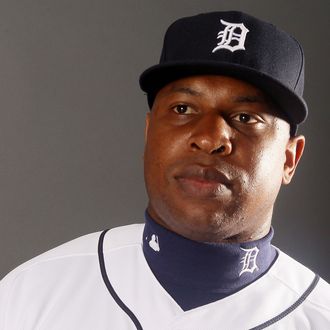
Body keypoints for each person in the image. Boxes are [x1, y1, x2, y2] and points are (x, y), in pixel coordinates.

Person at [0, 10, 329, 330]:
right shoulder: (31, 293)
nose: (209, 138)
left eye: (246, 117)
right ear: (149, 133)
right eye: (183, 109)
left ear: (290, 159)